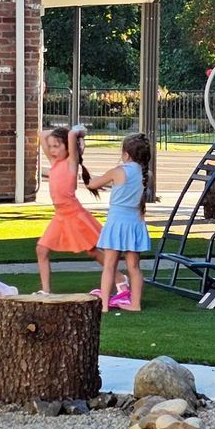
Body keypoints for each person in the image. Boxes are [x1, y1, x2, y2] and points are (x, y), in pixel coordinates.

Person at [86, 132, 153, 312]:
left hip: (117, 223)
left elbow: (92, 184)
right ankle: (135, 304)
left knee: (109, 266)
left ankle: (105, 305)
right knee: (134, 267)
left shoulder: (118, 171)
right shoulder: (147, 174)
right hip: (135, 223)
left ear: (126, 154)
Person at [35, 124, 103, 294]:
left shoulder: (71, 163)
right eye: (50, 146)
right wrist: (57, 135)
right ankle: (46, 290)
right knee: (41, 249)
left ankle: (119, 279)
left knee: (93, 251)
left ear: (68, 146)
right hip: (60, 215)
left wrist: (79, 133)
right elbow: (41, 134)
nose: (52, 150)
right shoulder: (54, 163)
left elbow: (72, 133)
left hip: (74, 214)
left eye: (57, 146)